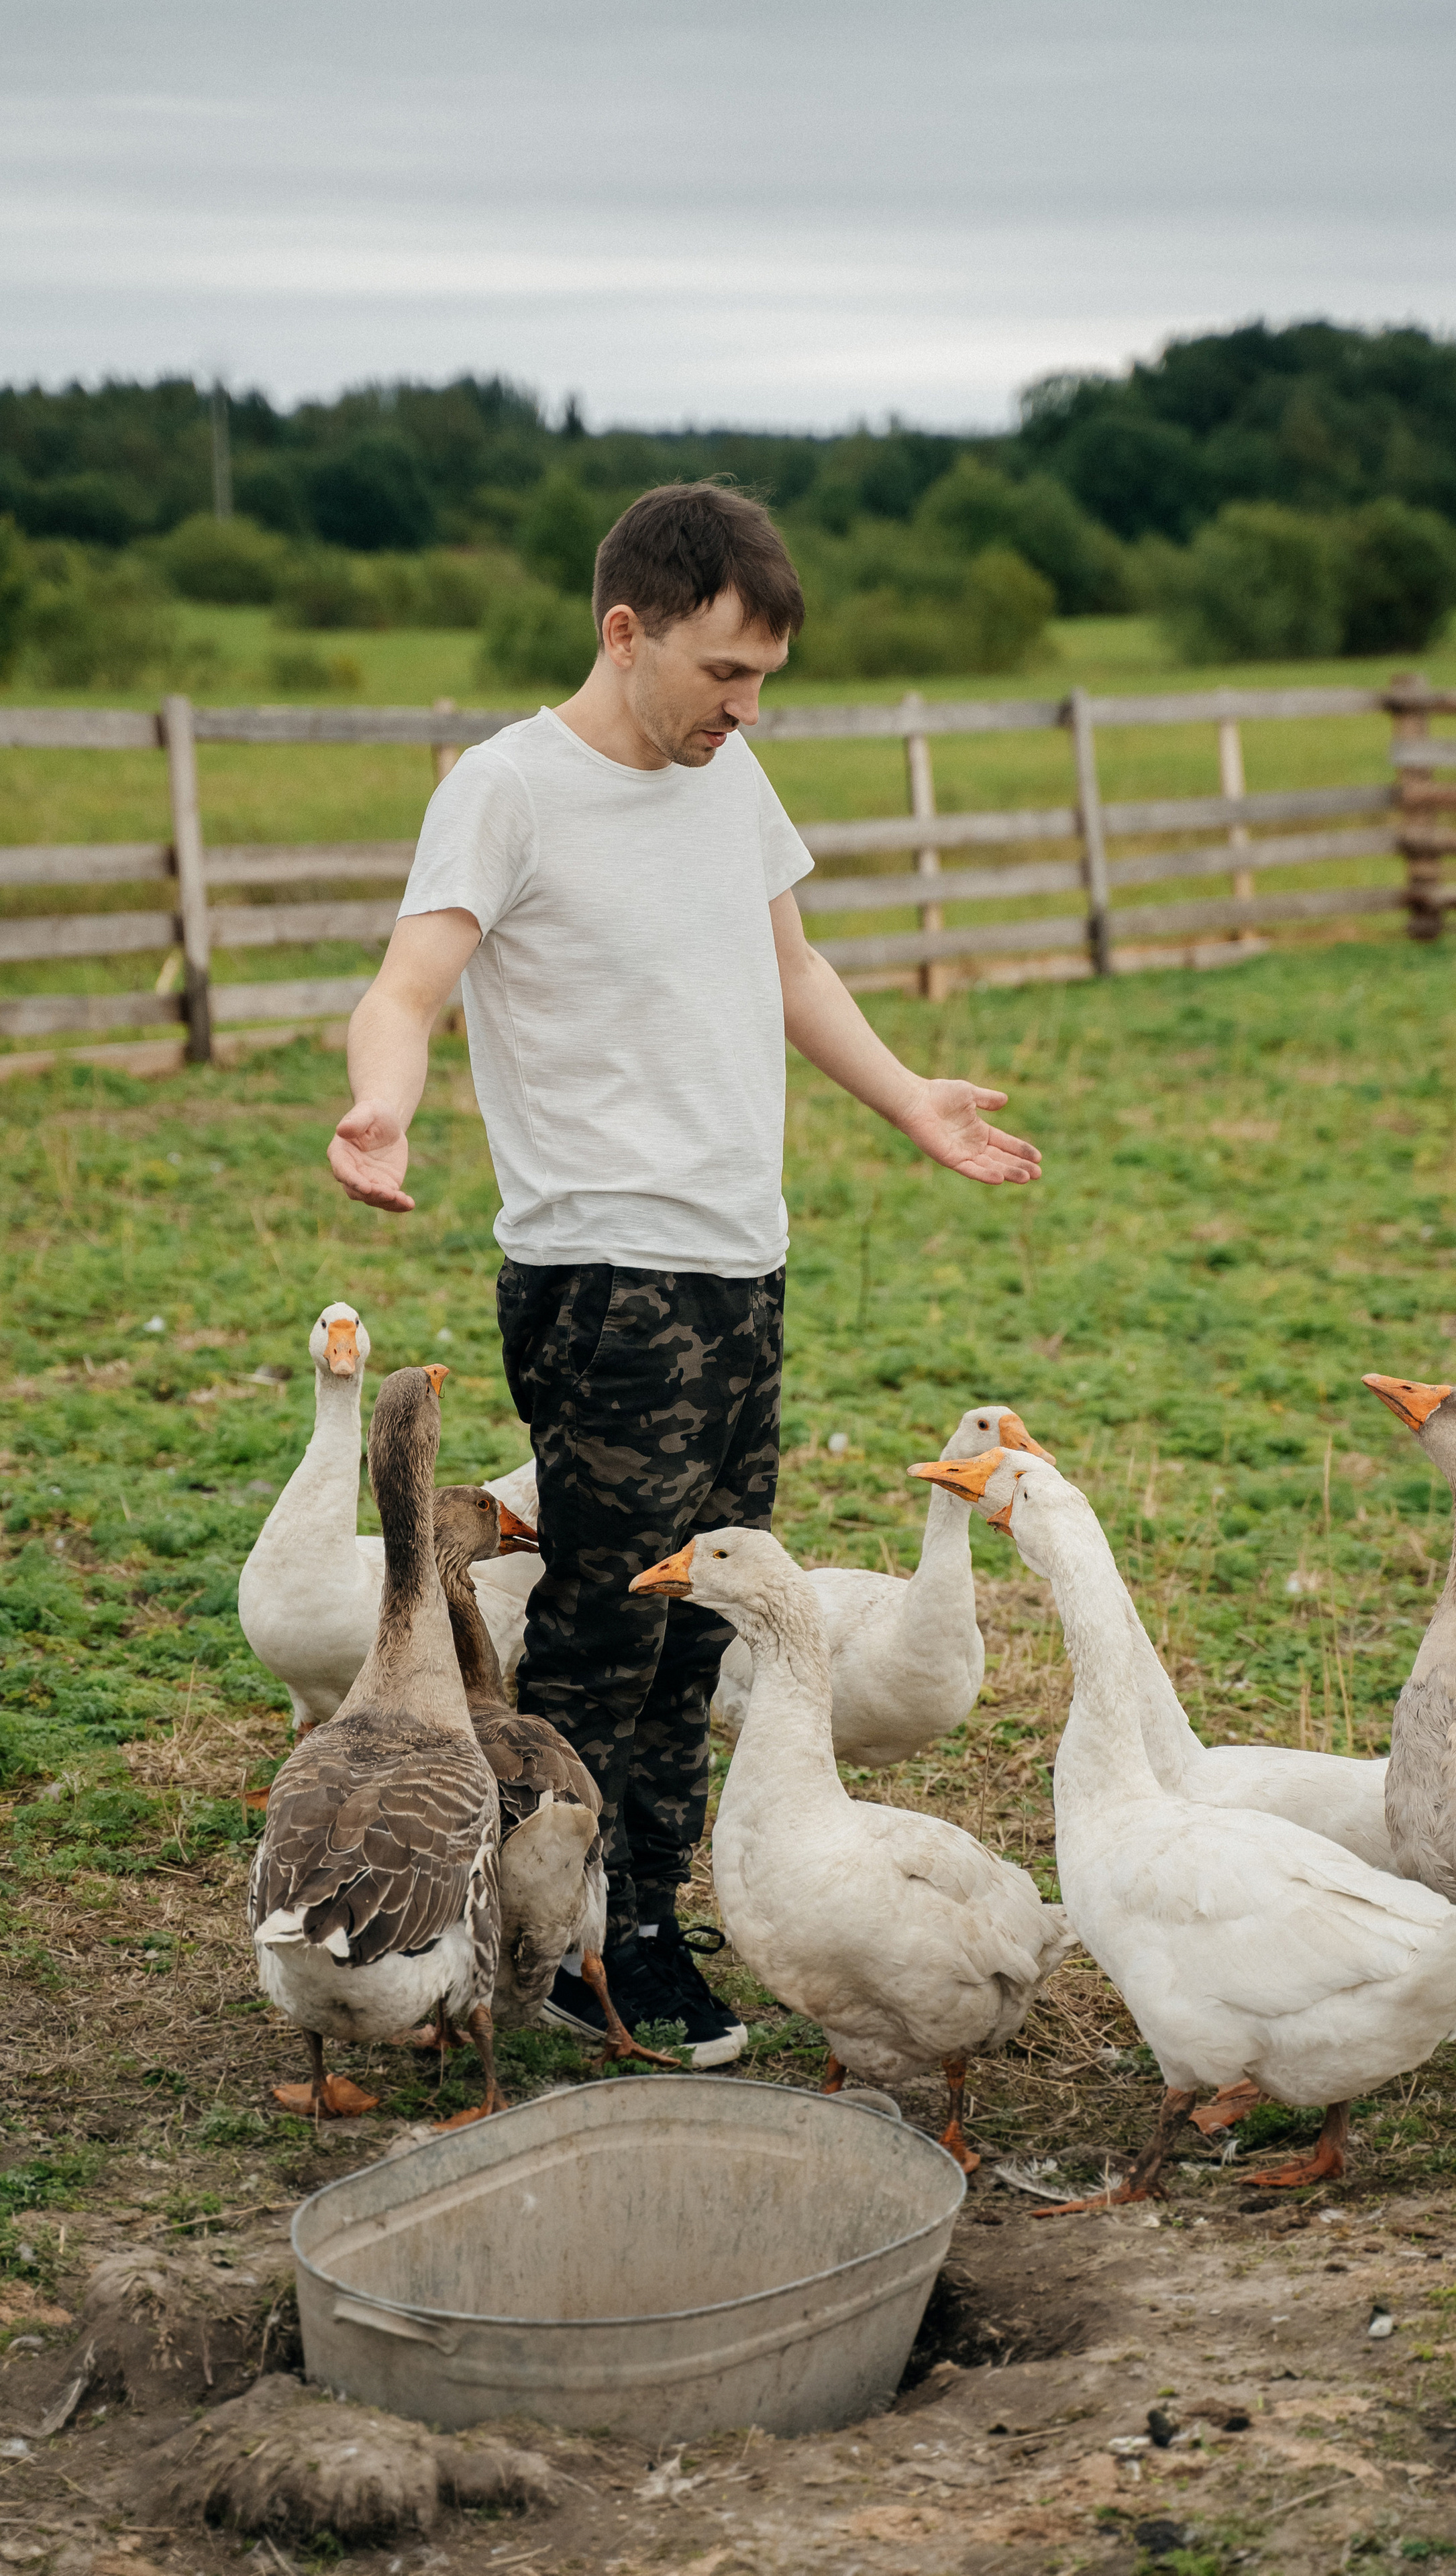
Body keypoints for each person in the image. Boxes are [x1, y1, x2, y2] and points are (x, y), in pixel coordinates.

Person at [327, 482, 1040, 2068]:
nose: (746, 706)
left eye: (765, 679)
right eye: (724, 674)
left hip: (741, 1265)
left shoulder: (731, 778)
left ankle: (643, 1910)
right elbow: (409, 983)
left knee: (705, 1621)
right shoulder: (505, 790)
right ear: (625, 631)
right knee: (606, 1627)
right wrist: (383, 1098)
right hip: (602, 1273)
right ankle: (575, 1940)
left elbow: (788, 965)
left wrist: (908, 1094)